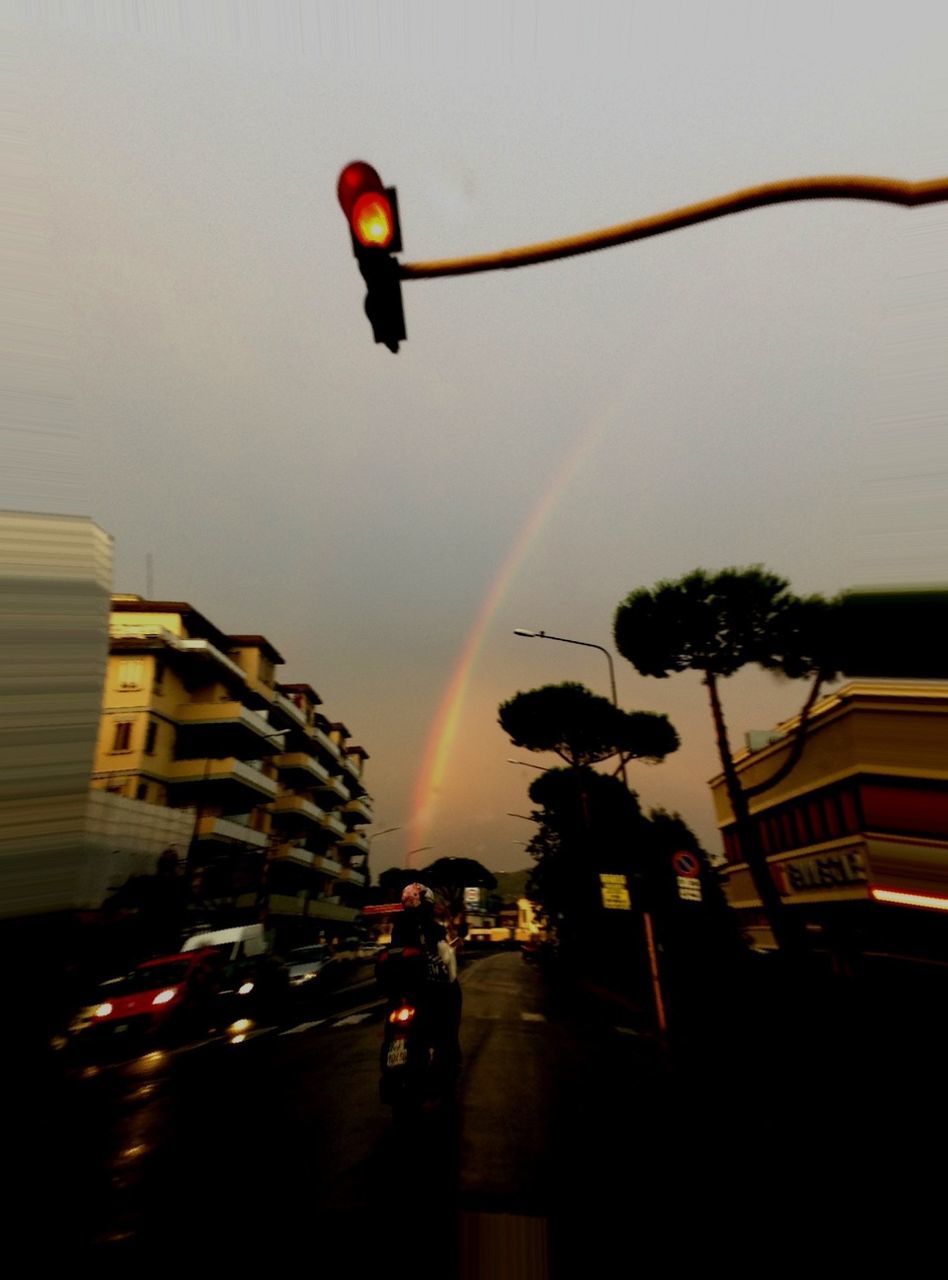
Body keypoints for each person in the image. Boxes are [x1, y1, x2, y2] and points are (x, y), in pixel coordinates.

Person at [386, 882, 461, 1076]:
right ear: (426, 904)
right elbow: (445, 956)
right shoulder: (432, 926)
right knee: (451, 1005)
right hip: (426, 989)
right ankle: (450, 1053)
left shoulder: (398, 925)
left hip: (401, 990)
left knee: (391, 1021)